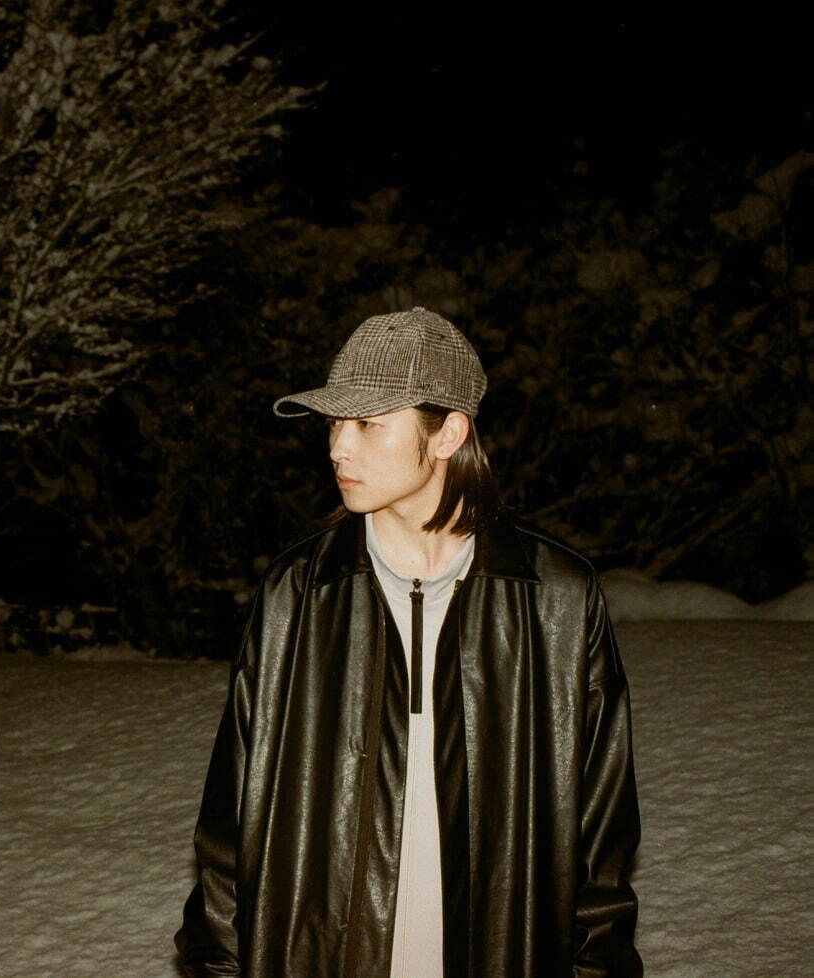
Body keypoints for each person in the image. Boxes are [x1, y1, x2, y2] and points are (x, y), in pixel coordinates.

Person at [174, 307, 642, 978]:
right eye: (334, 423)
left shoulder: (556, 600)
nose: (338, 447)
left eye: (367, 423)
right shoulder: (298, 594)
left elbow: (601, 842)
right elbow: (229, 829)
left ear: (448, 432)